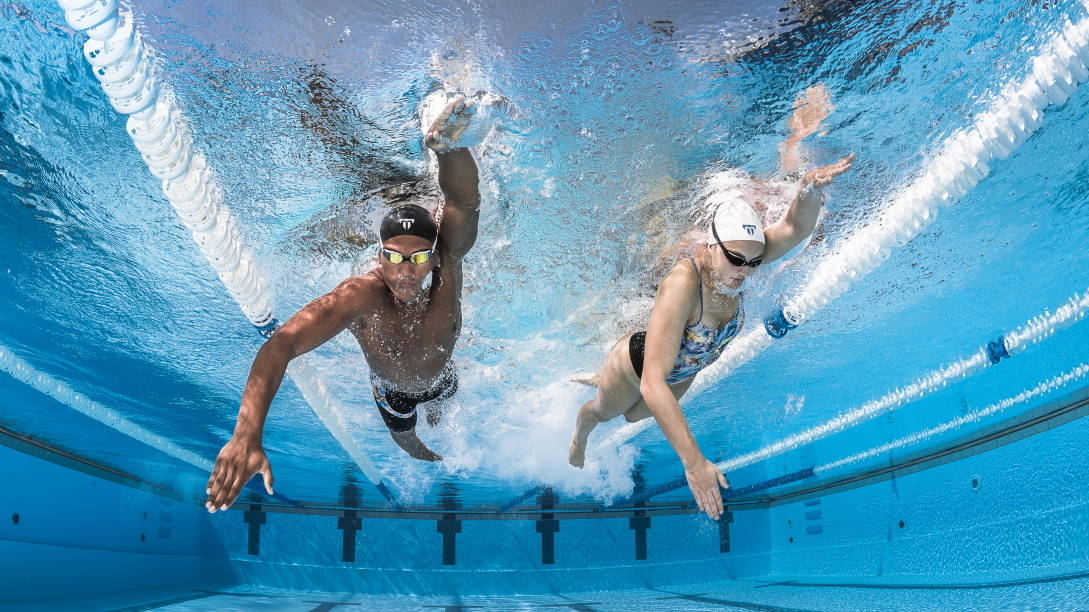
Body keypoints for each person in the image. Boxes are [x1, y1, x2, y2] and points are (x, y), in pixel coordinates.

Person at [567, 86, 854, 521]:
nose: (744, 271)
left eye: (754, 263)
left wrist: (808, 189)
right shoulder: (685, 280)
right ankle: (581, 429)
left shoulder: (746, 253)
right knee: (607, 413)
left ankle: (601, 378)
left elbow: (795, 229)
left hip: (687, 366)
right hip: (643, 365)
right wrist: (694, 463)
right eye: (736, 260)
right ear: (711, 246)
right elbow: (652, 384)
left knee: (634, 420)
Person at [205, 96, 481, 512]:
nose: (406, 271)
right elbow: (281, 345)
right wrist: (246, 434)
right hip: (394, 395)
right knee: (408, 443)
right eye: (394, 255)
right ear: (379, 256)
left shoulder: (448, 268)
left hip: (443, 376)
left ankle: (442, 144)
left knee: (443, 407)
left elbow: (464, 204)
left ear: (434, 256)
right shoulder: (359, 297)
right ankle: (422, 446)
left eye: (419, 257)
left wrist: (449, 148)